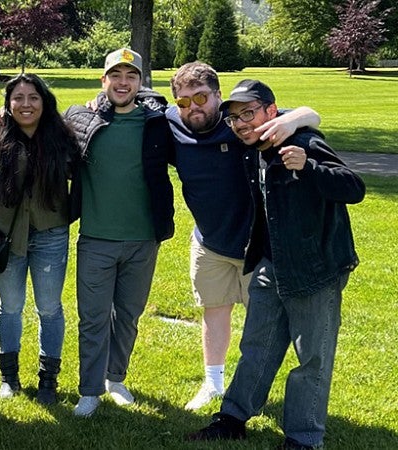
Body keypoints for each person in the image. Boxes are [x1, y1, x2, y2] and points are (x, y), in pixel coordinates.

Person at [187, 79, 365, 449]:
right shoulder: (251, 147)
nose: (241, 123)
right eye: (235, 118)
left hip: (315, 268)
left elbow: (354, 188)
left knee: (311, 358)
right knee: (257, 346)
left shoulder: (303, 142)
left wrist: (310, 166)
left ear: (271, 111)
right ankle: (233, 418)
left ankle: (303, 438)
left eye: (248, 113)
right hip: (271, 264)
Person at [166, 62, 321, 410]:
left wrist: (291, 120)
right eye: (184, 101)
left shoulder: (243, 124)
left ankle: (252, 391)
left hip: (258, 246)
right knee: (214, 312)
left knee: (260, 330)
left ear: (218, 96)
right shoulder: (172, 123)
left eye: (201, 97)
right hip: (210, 243)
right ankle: (213, 383)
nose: (193, 107)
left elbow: (311, 114)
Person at [63, 48, 175, 417]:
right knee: (93, 318)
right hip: (96, 238)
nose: (123, 82)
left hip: (143, 239)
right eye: (116, 75)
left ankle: (116, 377)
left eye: (131, 76)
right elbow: (37, 128)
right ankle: (90, 390)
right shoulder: (83, 120)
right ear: (104, 81)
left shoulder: (158, 125)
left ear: (140, 82)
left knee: (127, 314)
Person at [0, 73, 78, 404]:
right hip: (7, 236)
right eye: (18, 98)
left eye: (33, 97)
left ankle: (48, 380)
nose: (26, 104)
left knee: (49, 308)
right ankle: (9, 378)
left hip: (50, 234)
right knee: (11, 306)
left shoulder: (62, 138)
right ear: (8, 104)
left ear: (44, 102)